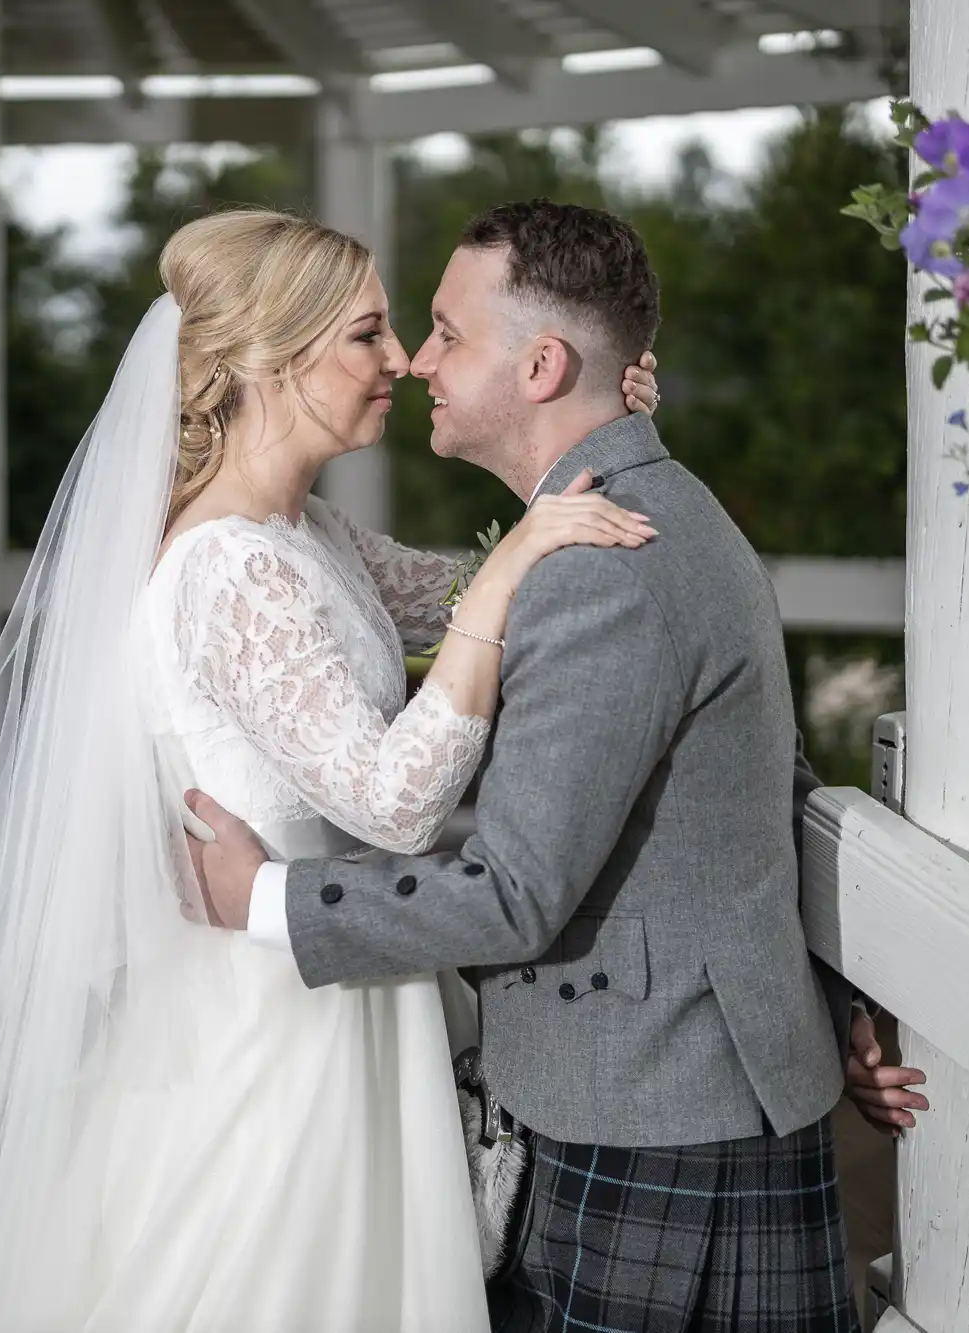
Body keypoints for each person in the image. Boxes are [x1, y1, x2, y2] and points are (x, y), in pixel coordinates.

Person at [0, 207, 663, 1332]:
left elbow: (472, 594)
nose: (402, 360)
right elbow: (396, 801)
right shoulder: (227, 568)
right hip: (266, 1020)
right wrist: (506, 575)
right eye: (367, 334)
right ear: (272, 359)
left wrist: (584, 437)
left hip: (333, 981)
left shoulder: (304, 533)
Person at [187, 200, 866, 1332]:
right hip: (651, 1086)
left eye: (446, 332)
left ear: (542, 365)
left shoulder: (605, 564)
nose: (417, 363)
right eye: (395, 334)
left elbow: (513, 891)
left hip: (651, 1104)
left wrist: (258, 896)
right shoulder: (628, 515)